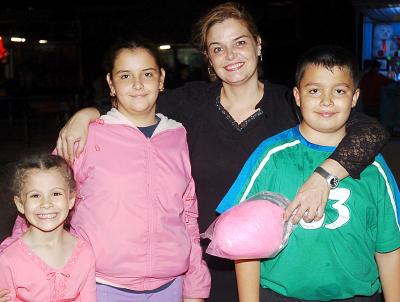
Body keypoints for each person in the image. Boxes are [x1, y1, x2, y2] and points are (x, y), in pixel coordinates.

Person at [53, 2, 389, 301]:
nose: (230, 56)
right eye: (218, 48)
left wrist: (324, 175)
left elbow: (370, 131)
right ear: (209, 59)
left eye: (239, 43)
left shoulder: (292, 102)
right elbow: (133, 101)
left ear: (258, 46)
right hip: (200, 270)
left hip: (273, 271)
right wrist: (88, 114)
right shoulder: (189, 103)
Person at [1, 38, 210, 302]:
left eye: (147, 74)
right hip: (100, 286)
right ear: (111, 83)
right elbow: (39, 197)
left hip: (170, 287)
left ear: (161, 78)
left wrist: (195, 285)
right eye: (125, 75)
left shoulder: (177, 135)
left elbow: (187, 214)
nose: (137, 84)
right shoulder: (88, 135)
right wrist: (10, 266)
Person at [216, 45, 400, 302]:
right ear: (298, 96)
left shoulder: (375, 166)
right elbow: (244, 240)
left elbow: (389, 248)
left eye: (339, 91)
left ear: (355, 97)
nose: (326, 101)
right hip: (280, 295)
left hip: (357, 296)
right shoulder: (271, 156)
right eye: (314, 90)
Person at [0, 153, 96, 301]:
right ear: (20, 204)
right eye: (35, 196)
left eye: (56, 193)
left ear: (71, 200)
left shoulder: (85, 253)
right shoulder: (8, 259)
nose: (46, 204)